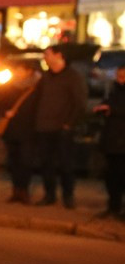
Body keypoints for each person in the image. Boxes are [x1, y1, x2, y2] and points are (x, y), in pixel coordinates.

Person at [32, 46, 87, 209]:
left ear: (59, 56)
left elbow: (80, 103)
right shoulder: (46, 77)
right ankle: (49, 195)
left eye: (47, 55)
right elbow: (37, 99)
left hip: (62, 129)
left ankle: (68, 196)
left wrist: (69, 123)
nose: (45, 58)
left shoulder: (73, 77)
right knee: (46, 163)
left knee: (65, 164)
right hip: (44, 127)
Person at [0, 62, 39, 204]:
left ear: (28, 71)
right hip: (11, 130)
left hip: (28, 130)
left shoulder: (36, 87)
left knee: (25, 161)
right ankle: (16, 191)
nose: (17, 72)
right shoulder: (9, 87)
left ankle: (23, 190)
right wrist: (5, 112)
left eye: (19, 69)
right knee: (13, 161)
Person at [94, 65, 125, 219]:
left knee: (121, 175)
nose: (120, 80)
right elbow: (108, 103)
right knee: (111, 176)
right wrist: (102, 109)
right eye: (118, 76)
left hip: (122, 141)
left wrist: (113, 110)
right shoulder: (114, 90)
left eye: (123, 77)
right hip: (112, 140)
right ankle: (113, 207)